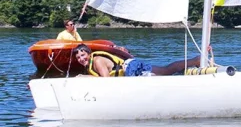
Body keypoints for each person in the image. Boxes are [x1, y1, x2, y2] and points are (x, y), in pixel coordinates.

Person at [72, 44, 203, 77]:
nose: (81, 59)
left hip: (131, 68)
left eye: (83, 55)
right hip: (131, 68)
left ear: (89, 54)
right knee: (166, 71)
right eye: (78, 57)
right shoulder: (91, 64)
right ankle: (193, 61)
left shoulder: (97, 61)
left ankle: (195, 60)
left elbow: (106, 80)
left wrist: (86, 77)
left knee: (165, 72)